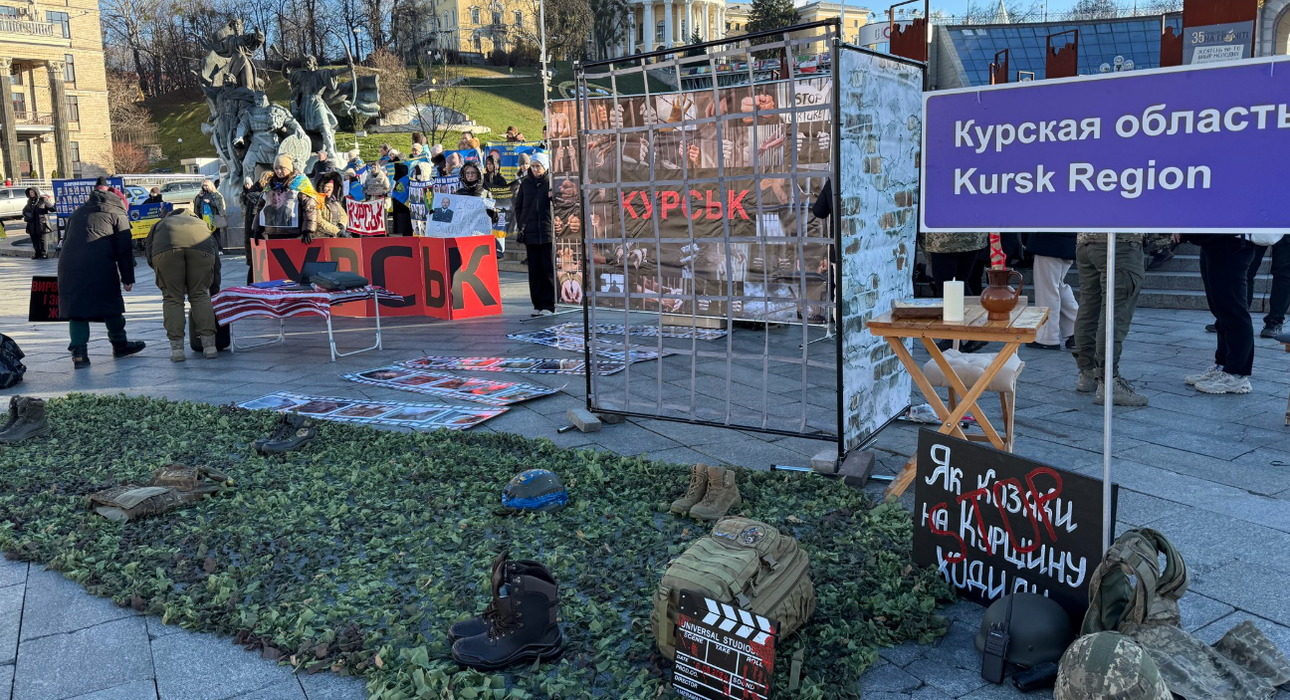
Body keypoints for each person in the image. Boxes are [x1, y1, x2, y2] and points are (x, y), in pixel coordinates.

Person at [57, 177, 146, 369]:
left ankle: (79, 354)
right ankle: (119, 344)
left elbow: (66, 240)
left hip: (68, 265)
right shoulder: (117, 213)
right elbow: (124, 249)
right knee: (111, 304)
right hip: (99, 265)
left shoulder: (78, 212)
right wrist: (127, 278)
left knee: (77, 309)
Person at [1072, 233, 1147, 406]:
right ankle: (1108, 383)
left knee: (1089, 308)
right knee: (1115, 313)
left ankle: (1087, 373)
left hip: (1086, 242)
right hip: (1120, 242)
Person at [1188, 234, 1259, 395]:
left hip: (1232, 241)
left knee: (1233, 310)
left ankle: (1237, 374)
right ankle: (1222, 365)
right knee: (1221, 310)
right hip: (1213, 240)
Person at [146, 209, 220, 361]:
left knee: (172, 298)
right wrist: (214, 288)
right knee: (200, 295)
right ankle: (209, 346)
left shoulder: (161, 224)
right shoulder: (201, 223)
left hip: (166, 252)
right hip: (202, 253)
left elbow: (149, 253)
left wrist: (161, 272)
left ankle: (177, 350)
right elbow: (216, 260)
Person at [922, 232, 988, 353]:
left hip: (944, 239)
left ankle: (954, 338)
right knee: (960, 282)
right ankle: (976, 330)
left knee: (947, 287)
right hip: (973, 238)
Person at [513, 151, 554, 316]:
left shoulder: (551, 183)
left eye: (538, 166)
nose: (535, 169)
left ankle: (549, 305)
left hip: (547, 232)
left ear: (545, 167)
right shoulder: (525, 183)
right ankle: (537, 305)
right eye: (533, 166)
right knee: (534, 271)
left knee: (548, 270)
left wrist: (553, 198)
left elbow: (561, 205)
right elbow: (519, 206)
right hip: (530, 234)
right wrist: (522, 223)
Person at [1027, 233, 1078, 350]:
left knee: (1047, 291)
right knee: (1057, 287)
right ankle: (1077, 330)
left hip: (1049, 241)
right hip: (1065, 241)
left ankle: (1047, 337)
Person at [252, 154, 318, 241]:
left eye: (282, 168)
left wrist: (308, 230)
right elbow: (261, 207)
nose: (278, 171)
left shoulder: (300, 183)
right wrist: (258, 229)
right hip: (273, 232)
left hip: (294, 233)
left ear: (289, 168)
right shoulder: (270, 184)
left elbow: (309, 207)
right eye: (276, 168)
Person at [190, 179, 227, 250]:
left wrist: (210, 202)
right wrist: (200, 197)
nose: (204, 187)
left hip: (214, 217)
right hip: (204, 217)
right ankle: (209, 249)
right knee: (206, 234)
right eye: (203, 186)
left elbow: (220, 206)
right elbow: (197, 205)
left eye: (206, 185)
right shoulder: (201, 194)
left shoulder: (216, 194)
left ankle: (219, 249)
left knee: (216, 234)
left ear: (210, 186)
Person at [240, 176, 263, 284]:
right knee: (256, 265)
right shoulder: (255, 196)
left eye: (248, 184)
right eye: (245, 184)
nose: (247, 185)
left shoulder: (251, 195)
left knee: (254, 265)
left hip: (252, 230)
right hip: (256, 232)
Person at [22, 187, 55, 260]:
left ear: (36, 192)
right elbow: (24, 211)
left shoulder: (43, 200)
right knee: (34, 239)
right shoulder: (29, 201)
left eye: (32, 192)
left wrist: (56, 205)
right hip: (32, 224)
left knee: (43, 239)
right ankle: (37, 254)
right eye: (30, 192)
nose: (31, 194)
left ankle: (44, 254)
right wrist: (27, 214)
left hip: (41, 223)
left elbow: (52, 209)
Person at [313, 171, 348, 237]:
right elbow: (318, 221)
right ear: (321, 187)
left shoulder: (334, 202)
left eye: (331, 187)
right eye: (327, 186)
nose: (329, 189)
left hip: (334, 238)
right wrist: (337, 232)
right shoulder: (316, 201)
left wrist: (342, 225)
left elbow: (343, 215)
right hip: (319, 238)